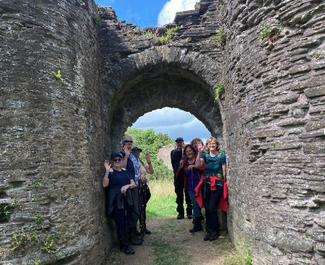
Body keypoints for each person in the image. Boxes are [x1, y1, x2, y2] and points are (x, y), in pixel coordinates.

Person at [102, 153, 136, 254]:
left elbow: (133, 184)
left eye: (119, 160)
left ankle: (127, 241)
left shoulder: (125, 171)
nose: (118, 161)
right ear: (112, 162)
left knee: (128, 219)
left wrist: (127, 186)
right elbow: (104, 184)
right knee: (120, 222)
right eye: (115, 160)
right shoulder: (111, 172)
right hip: (116, 201)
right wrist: (107, 170)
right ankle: (124, 245)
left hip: (127, 199)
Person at [195, 136, 228, 241]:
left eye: (213, 143)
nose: (212, 145)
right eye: (210, 143)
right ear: (207, 145)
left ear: (216, 145)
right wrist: (199, 153)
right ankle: (208, 231)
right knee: (207, 207)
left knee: (212, 208)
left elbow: (224, 171)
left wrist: (224, 183)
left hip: (217, 184)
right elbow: (197, 164)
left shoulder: (221, 156)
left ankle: (215, 231)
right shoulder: (205, 155)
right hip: (206, 183)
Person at [120, 135, 143, 245]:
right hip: (128, 187)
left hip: (136, 186)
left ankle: (133, 231)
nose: (129, 143)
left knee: (136, 209)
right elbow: (122, 169)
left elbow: (137, 169)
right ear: (123, 143)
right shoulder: (122, 155)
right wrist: (126, 156)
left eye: (130, 141)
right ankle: (130, 235)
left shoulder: (133, 155)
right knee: (132, 210)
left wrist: (141, 176)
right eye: (126, 141)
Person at [176, 144, 205, 233]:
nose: (189, 153)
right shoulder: (184, 162)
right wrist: (180, 168)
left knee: (197, 205)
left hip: (199, 186)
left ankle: (197, 223)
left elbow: (202, 167)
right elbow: (177, 175)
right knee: (195, 205)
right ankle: (197, 223)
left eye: (190, 151)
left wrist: (195, 166)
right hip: (190, 187)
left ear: (193, 151)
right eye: (187, 151)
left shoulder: (198, 159)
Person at [131, 146, 154, 236]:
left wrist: (149, 162)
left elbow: (151, 172)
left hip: (144, 187)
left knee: (143, 207)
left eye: (138, 152)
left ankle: (143, 227)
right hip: (137, 188)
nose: (137, 153)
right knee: (138, 208)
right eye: (135, 152)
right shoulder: (131, 162)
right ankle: (136, 228)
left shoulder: (140, 162)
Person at [171, 137, 193, 219]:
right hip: (177, 176)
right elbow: (173, 164)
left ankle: (189, 212)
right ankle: (180, 212)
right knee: (179, 195)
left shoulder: (186, 152)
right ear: (176, 143)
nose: (179, 144)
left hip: (186, 175)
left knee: (188, 194)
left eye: (180, 142)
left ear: (183, 143)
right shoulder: (173, 152)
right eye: (178, 142)